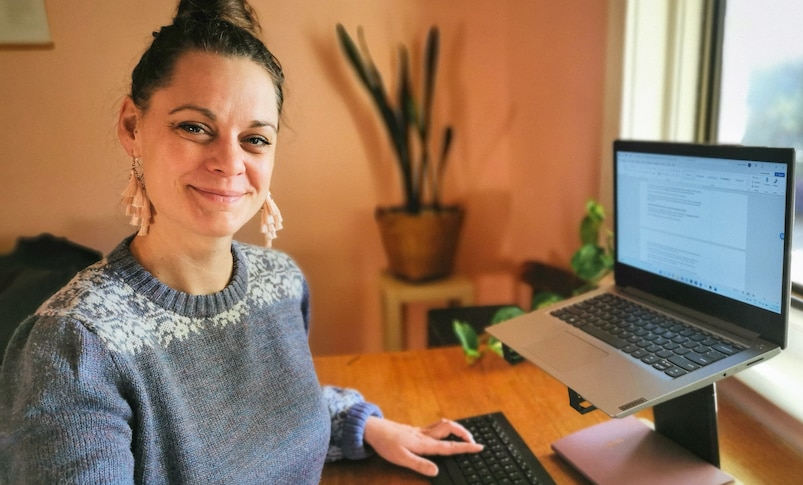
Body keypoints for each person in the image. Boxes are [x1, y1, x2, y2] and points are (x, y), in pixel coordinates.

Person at [0, 0, 483, 482]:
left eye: (255, 139)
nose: (229, 162)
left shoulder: (280, 282)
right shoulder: (75, 347)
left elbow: (276, 415)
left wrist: (366, 425)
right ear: (132, 126)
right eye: (194, 127)